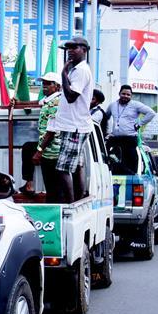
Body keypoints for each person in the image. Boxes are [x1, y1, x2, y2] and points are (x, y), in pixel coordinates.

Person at [39, 36, 93, 204]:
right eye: (67, 48)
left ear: (84, 50)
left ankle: (71, 205)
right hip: (73, 125)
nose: (69, 51)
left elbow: (71, 97)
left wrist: (63, 73)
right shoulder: (76, 70)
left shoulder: (81, 70)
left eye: (73, 48)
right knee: (75, 167)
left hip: (74, 126)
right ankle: (77, 199)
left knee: (63, 169)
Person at [27, 72, 63, 202]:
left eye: (48, 83)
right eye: (43, 83)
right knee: (51, 186)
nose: (44, 86)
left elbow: (52, 131)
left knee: (53, 187)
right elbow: (38, 102)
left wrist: (40, 151)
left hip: (52, 151)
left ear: (57, 86)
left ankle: (55, 211)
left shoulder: (56, 102)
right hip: (49, 150)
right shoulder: (49, 100)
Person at [105, 84, 155, 174]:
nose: (125, 96)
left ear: (131, 96)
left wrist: (139, 124)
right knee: (107, 158)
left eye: (128, 95)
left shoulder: (136, 105)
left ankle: (131, 178)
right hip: (115, 138)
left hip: (129, 139)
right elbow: (105, 117)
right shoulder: (112, 105)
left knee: (130, 162)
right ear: (119, 93)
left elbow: (151, 113)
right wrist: (106, 132)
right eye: (123, 94)